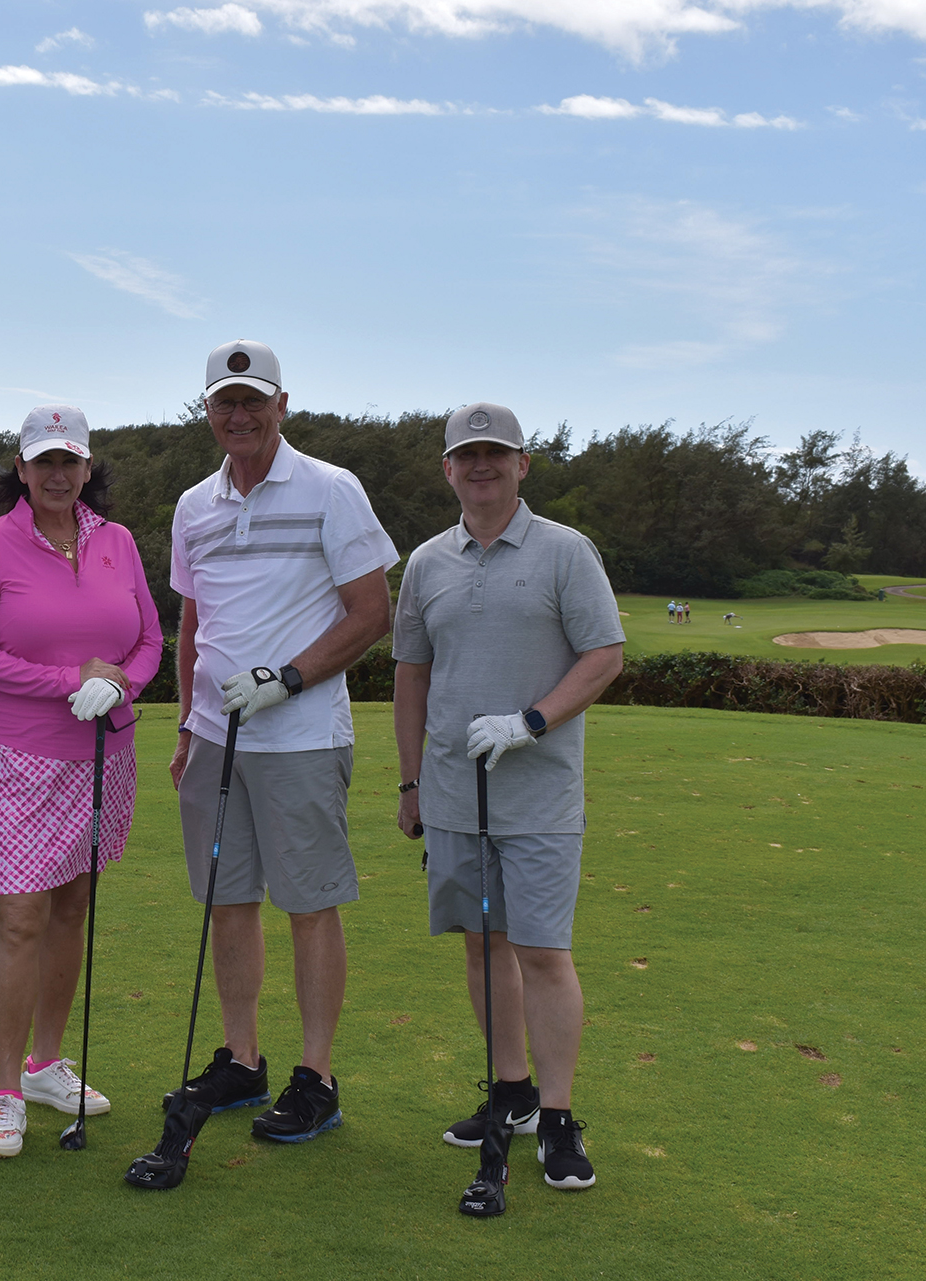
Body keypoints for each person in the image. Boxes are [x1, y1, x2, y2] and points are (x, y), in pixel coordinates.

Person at [166, 340, 398, 1146]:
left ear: (282, 405)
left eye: (253, 400)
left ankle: (316, 1075)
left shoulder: (333, 490)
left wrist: (288, 679)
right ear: (207, 412)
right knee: (228, 902)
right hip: (213, 737)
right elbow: (194, 623)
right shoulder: (194, 505)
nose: (240, 414)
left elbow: (371, 613)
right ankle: (243, 1057)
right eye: (225, 402)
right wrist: (185, 725)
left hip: (300, 734)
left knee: (308, 904)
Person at [392, 402, 625, 1197]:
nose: (481, 466)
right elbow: (412, 676)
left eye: (496, 453)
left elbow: (605, 654)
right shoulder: (427, 561)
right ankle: (511, 1090)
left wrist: (531, 721)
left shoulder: (565, 551)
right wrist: (413, 780)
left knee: (542, 953)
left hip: (540, 795)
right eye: (467, 455)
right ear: (448, 469)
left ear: (523, 464)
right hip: (454, 793)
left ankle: (557, 1118)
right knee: (480, 943)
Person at [0, 406, 164, 1158]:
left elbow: (148, 640)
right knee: (21, 917)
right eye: (43, 462)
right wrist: (66, 680)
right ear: (21, 467)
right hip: (20, 752)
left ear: (87, 467)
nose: (57, 475)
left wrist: (122, 685)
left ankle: (45, 1064)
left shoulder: (119, 542)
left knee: (72, 907)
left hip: (106, 751)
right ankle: (6, 1091)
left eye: (69, 462)